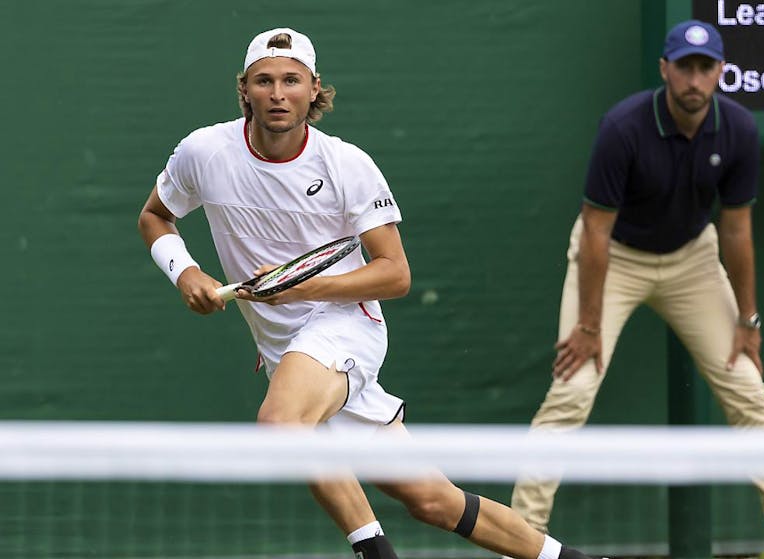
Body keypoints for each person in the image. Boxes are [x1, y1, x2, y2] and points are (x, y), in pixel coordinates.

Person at [137, 27, 597, 559]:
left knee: (281, 425)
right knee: (433, 501)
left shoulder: (346, 165)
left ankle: (375, 554)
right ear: (245, 90)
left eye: (292, 80)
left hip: (346, 326)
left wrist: (303, 287)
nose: (278, 93)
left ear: (314, 90)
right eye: (264, 81)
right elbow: (156, 216)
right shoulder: (204, 152)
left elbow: (395, 273)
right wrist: (185, 272)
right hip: (283, 349)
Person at [509, 20, 764, 559]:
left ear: (719, 72)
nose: (695, 79)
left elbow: (737, 229)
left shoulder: (738, 129)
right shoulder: (623, 127)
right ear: (665, 70)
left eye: (705, 67)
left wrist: (748, 320)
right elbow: (596, 230)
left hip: (693, 260)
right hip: (612, 258)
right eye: (685, 67)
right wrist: (590, 325)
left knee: (747, 388)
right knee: (571, 392)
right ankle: (520, 538)